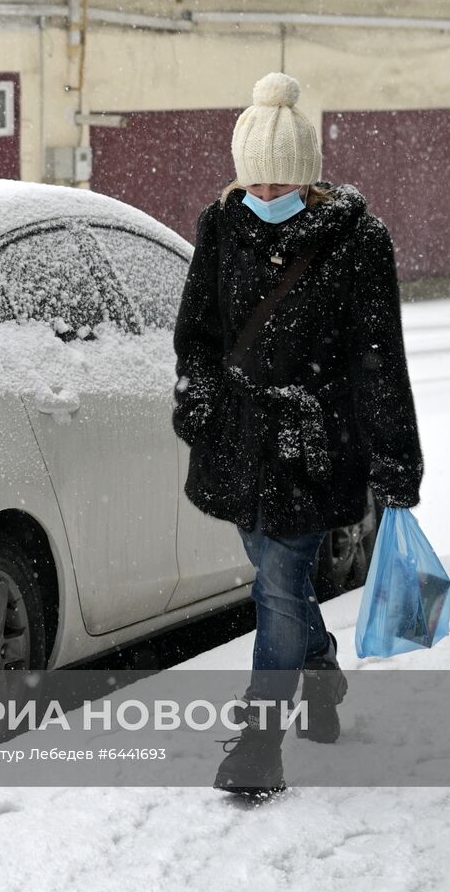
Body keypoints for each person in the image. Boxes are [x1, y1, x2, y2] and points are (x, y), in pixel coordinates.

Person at [171, 71, 424, 797]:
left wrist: (394, 459)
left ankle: (257, 741)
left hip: (317, 441)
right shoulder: (220, 226)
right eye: (258, 181)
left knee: (279, 582)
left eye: (283, 182)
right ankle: (317, 669)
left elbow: (378, 354)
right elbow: (198, 334)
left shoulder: (357, 239)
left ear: (309, 177)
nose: (269, 193)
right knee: (274, 576)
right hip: (238, 440)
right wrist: (200, 406)